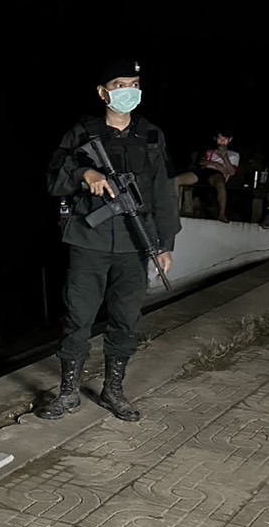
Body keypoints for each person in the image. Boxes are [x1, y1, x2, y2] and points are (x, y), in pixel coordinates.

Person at [36, 59, 180, 424]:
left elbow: (164, 191)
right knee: (78, 316)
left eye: (134, 83)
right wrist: (85, 173)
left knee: (126, 318)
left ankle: (113, 390)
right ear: (103, 93)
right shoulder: (82, 133)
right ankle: (68, 392)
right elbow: (53, 179)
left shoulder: (152, 135)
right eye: (119, 85)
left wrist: (165, 244)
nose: (128, 91)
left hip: (136, 241)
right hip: (89, 239)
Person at [175, 130, 240, 222]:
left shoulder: (234, 155)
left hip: (217, 174)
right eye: (219, 138)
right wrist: (217, 164)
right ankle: (174, 209)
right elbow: (201, 162)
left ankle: (221, 213)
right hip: (203, 171)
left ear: (230, 140)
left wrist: (224, 157)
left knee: (220, 185)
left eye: (225, 139)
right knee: (176, 180)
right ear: (216, 139)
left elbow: (232, 172)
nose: (222, 141)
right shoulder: (210, 151)